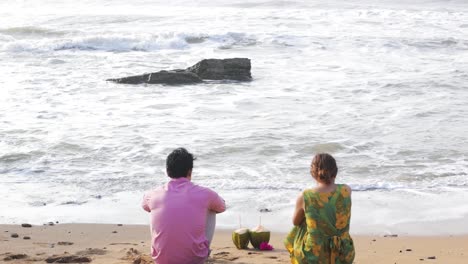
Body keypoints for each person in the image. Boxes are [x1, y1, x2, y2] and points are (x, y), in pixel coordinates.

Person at [142, 148, 226, 264]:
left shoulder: (153, 194)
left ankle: (162, 250)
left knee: (154, 208)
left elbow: (145, 206)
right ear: (190, 172)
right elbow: (222, 207)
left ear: (167, 171)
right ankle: (202, 251)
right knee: (211, 210)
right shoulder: (205, 193)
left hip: (161, 260)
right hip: (195, 259)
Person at [285, 153, 355, 264]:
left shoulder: (305, 196)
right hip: (343, 251)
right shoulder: (346, 190)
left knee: (302, 224)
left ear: (313, 173)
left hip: (315, 255)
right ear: (335, 172)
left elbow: (295, 222)